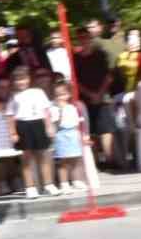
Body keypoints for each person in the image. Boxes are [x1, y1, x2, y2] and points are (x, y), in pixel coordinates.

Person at [8, 66, 57, 198]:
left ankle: (48, 185)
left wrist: (49, 126)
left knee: (43, 156)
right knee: (26, 158)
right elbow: (10, 116)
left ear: (29, 79)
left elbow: (46, 110)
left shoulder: (38, 92)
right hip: (23, 125)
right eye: (17, 80)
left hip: (38, 123)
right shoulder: (13, 96)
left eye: (23, 79)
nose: (21, 82)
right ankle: (30, 187)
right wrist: (13, 132)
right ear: (13, 82)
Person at [74, 36, 116, 167]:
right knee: (90, 130)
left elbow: (109, 76)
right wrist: (89, 94)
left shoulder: (101, 55)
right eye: (82, 39)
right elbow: (76, 80)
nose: (84, 41)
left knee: (106, 128)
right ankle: (95, 161)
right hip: (85, 98)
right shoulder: (75, 58)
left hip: (102, 96)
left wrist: (100, 94)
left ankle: (110, 159)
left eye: (86, 39)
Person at [49, 80, 85, 194]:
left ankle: (76, 180)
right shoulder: (53, 108)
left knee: (75, 159)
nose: (61, 97)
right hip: (61, 134)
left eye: (63, 94)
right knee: (63, 161)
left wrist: (82, 135)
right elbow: (55, 124)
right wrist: (59, 112)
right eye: (58, 95)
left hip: (73, 134)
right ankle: (64, 184)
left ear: (69, 94)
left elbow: (77, 123)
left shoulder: (72, 107)